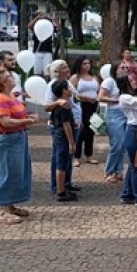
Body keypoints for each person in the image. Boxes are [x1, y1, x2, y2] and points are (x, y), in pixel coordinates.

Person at [0, 68, 39, 224]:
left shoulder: (9, 97)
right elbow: (6, 121)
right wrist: (27, 121)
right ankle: (3, 211)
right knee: (6, 172)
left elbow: (15, 116)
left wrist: (26, 118)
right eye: (9, 77)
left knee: (15, 172)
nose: (13, 78)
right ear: (3, 82)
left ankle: (10, 205)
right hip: (7, 139)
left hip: (17, 138)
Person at [44, 60, 82, 194]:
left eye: (67, 66)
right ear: (57, 71)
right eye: (64, 67)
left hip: (74, 123)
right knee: (60, 155)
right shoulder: (53, 85)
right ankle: (58, 186)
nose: (67, 69)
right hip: (61, 126)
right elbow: (47, 106)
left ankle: (66, 182)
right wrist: (58, 102)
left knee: (67, 156)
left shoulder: (68, 82)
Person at [117, 75, 137, 206]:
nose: (135, 82)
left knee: (132, 164)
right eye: (131, 80)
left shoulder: (134, 94)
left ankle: (127, 193)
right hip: (134, 130)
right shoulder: (124, 97)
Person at [99, 60, 129, 183]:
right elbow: (100, 97)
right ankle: (109, 171)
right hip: (113, 114)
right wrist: (116, 100)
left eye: (126, 67)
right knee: (116, 144)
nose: (125, 69)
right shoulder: (109, 81)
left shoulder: (125, 82)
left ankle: (119, 170)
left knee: (123, 145)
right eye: (122, 68)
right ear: (115, 69)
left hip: (125, 113)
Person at [50, 80, 78, 202]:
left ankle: (62, 188)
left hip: (58, 135)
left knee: (62, 161)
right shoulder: (64, 106)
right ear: (63, 91)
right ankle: (60, 191)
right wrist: (71, 142)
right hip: (62, 137)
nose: (71, 90)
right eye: (68, 88)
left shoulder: (58, 105)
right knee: (61, 163)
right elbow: (66, 125)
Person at [70, 56, 100, 166]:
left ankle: (89, 154)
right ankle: (76, 156)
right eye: (84, 63)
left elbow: (98, 91)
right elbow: (73, 94)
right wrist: (86, 98)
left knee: (90, 130)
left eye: (88, 63)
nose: (87, 66)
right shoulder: (75, 78)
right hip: (81, 106)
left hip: (93, 106)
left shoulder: (94, 77)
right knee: (80, 131)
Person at [28, 13, 54, 77]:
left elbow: (59, 29)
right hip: (37, 51)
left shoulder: (49, 27)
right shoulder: (36, 27)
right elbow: (29, 26)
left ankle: (46, 83)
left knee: (47, 71)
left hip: (48, 51)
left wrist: (54, 19)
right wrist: (37, 18)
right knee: (37, 71)